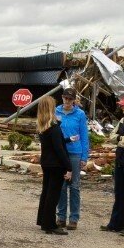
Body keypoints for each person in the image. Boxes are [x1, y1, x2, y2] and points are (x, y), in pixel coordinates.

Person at [37, 96, 72, 235]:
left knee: (46, 192)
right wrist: (69, 167)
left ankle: (43, 220)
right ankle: (50, 224)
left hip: (46, 162)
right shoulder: (54, 127)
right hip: (56, 164)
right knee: (53, 194)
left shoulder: (43, 126)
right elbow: (59, 149)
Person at [55, 88, 89, 230]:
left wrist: (84, 156)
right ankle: (61, 216)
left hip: (75, 152)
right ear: (62, 98)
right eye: (65, 98)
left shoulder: (80, 114)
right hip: (61, 153)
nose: (67, 101)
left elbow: (84, 135)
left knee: (74, 186)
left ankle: (74, 218)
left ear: (74, 100)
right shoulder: (56, 112)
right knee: (61, 186)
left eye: (70, 99)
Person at [104, 95, 124, 236]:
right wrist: (121, 138)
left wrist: (119, 138)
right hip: (120, 160)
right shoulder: (123, 120)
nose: (121, 107)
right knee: (119, 193)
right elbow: (112, 136)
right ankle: (116, 224)